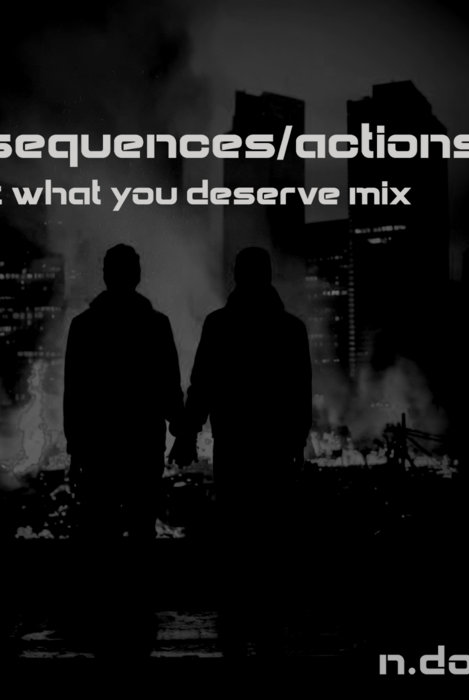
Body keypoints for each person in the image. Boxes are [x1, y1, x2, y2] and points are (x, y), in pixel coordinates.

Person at [171, 246, 312, 658]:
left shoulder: (219, 325)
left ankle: (235, 620)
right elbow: (300, 393)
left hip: (233, 445)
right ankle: (270, 621)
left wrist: (187, 434)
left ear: (237, 275)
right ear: (268, 275)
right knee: (271, 534)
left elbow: (202, 385)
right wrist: (296, 441)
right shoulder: (291, 329)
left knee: (235, 534)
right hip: (275, 449)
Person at [62, 243, 185, 657]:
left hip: (99, 446)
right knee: (142, 529)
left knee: (101, 531)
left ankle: (105, 611)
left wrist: (76, 446)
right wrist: (181, 430)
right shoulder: (156, 324)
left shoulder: (84, 326)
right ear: (136, 275)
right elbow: (169, 384)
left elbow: (75, 392)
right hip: (142, 443)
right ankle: (139, 609)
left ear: (106, 275)